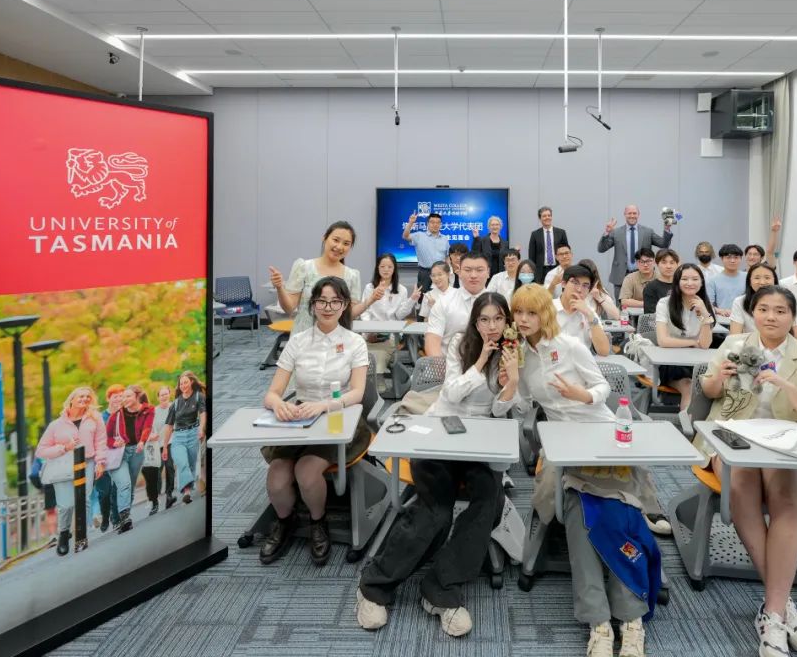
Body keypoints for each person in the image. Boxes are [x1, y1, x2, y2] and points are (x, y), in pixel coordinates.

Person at [357, 293, 520, 636]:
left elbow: (501, 411)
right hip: (441, 431)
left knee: (489, 501)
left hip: (478, 442)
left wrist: (512, 384)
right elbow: (452, 395)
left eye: (498, 319)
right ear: (475, 322)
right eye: (484, 319)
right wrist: (481, 362)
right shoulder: (461, 343)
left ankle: (440, 588)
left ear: (507, 321)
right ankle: (374, 586)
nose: (491, 326)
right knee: (436, 509)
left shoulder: (512, 351)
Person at [511, 284, 660, 657]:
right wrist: (509, 379)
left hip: (599, 435)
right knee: (580, 507)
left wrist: (582, 395)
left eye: (531, 312)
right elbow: (521, 405)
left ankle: (629, 621)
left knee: (603, 509)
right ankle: (601, 624)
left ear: (545, 314)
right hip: (562, 444)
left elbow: (601, 388)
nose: (523, 320)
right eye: (518, 312)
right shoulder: (519, 356)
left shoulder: (570, 346)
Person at [698, 285, 797, 657]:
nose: (771, 317)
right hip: (732, 436)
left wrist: (785, 385)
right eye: (763, 309)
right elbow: (708, 392)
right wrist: (719, 377)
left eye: (780, 310)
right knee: (741, 485)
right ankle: (781, 607)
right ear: (752, 313)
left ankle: (772, 613)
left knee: (787, 503)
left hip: (785, 444)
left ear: (793, 317)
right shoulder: (734, 345)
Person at [258, 276, 369, 565]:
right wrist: (279, 404)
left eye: (335, 301)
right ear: (313, 304)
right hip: (300, 417)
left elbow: (357, 393)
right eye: (322, 301)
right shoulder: (298, 341)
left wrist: (324, 405)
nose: (328, 307)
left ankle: (318, 522)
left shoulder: (355, 342)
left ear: (344, 305)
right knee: (277, 479)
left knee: (307, 472)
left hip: (338, 417)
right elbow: (271, 394)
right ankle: (285, 521)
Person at [35, 387, 108, 555]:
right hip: (63, 465)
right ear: (71, 400)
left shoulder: (95, 419)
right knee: (66, 505)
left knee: (84, 499)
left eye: (88, 397)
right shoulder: (56, 425)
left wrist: (100, 462)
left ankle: (81, 536)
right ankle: (63, 533)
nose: (85, 399)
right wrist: (64, 448)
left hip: (87, 462)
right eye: (81, 396)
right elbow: (41, 450)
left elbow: (100, 442)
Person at [269, 221, 366, 333]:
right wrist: (280, 288)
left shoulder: (352, 276)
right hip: (304, 336)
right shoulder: (304, 267)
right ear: (324, 238)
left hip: (337, 338)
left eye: (346, 243)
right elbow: (289, 308)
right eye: (336, 240)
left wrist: (370, 300)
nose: (339, 246)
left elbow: (350, 314)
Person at [655, 264, 717, 410]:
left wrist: (704, 313)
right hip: (670, 362)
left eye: (695, 279)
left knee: (714, 387)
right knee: (689, 387)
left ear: (701, 282)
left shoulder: (705, 306)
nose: (690, 283)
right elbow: (663, 341)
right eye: (685, 279)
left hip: (696, 361)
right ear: (677, 282)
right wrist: (692, 342)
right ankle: (687, 425)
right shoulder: (664, 303)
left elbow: (705, 344)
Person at [359, 253, 421, 378]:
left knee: (378, 357)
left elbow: (399, 315)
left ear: (394, 269)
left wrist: (412, 299)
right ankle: (369, 383)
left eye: (389, 267)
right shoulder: (370, 288)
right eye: (382, 266)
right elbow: (365, 311)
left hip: (390, 336)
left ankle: (378, 381)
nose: (386, 270)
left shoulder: (401, 290)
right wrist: (368, 331)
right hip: (369, 334)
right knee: (362, 357)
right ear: (377, 268)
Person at [105, 385, 155, 534]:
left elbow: (147, 427)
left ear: (137, 397)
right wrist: (114, 443)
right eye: (123, 396)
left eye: (128, 396)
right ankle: (124, 517)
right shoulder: (116, 415)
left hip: (137, 452)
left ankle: (123, 517)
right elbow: (106, 438)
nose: (124, 399)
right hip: (118, 454)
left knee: (130, 486)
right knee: (124, 484)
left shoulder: (148, 410)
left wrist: (142, 441)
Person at [596, 204, 673, 296]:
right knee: (621, 303)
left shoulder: (648, 232)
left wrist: (667, 229)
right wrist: (607, 232)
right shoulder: (616, 232)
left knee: (645, 302)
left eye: (634, 213)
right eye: (629, 213)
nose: (632, 216)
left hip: (643, 274)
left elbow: (664, 244)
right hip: (621, 276)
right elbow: (601, 249)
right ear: (625, 214)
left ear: (638, 215)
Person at [425, 251, 490, 358]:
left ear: (488, 272)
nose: (473, 275)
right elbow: (432, 339)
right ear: (459, 272)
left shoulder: (498, 302)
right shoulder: (444, 302)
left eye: (479, 270)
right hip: (447, 364)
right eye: (467, 270)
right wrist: (441, 366)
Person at [160, 371, 208, 507]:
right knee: (182, 462)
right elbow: (169, 426)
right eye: (181, 384)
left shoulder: (198, 397)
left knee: (191, 465)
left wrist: (201, 428)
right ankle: (190, 487)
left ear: (191, 382)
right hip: (178, 436)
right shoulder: (175, 404)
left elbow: (203, 413)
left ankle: (187, 493)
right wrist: (165, 446)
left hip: (193, 433)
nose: (183, 385)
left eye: (185, 382)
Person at [730, 264, 797, 343]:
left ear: (774, 281)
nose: (762, 282)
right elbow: (734, 337)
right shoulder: (740, 302)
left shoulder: (787, 300)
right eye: (757, 278)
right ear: (749, 281)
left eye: (767, 278)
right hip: (751, 347)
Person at [555, 264, 612, 356]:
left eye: (585, 286)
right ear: (563, 283)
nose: (579, 289)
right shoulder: (547, 308)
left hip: (580, 363)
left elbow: (604, 351)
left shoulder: (589, 312)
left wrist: (589, 315)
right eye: (575, 282)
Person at [93, 384, 125, 532]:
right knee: (104, 492)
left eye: (121, 396)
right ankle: (105, 516)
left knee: (116, 488)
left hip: (119, 457)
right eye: (115, 396)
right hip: (102, 459)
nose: (118, 399)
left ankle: (116, 518)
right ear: (108, 399)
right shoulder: (100, 418)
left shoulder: (125, 416)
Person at [141, 385, 174, 515]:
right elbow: (150, 428)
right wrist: (152, 436)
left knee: (169, 467)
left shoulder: (174, 407)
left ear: (169, 395)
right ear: (158, 397)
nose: (164, 396)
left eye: (166, 394)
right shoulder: (154, 411)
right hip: (157, 445)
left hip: (171, 442)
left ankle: (169, 494)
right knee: (157, 470)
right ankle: (156, 498)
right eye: (162, 395)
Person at [403, 211, 450, 292]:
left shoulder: (444, 239)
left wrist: (447, 271)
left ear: (440, 224)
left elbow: (447, 256)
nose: (435, 225)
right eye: (432, 222)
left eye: (438, 222)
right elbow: (405, 236)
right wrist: (411, 223)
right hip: (425, 273)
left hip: (441, 272)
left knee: (442, 295)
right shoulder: (419, 236)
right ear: (427, 224)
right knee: (423, 295)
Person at [528, 206, 568, 285]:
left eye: (549, 215)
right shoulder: (535, 234)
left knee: (558, 289)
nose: (547, 218)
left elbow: (566, 251)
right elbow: (531, 256)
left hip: (558, 268)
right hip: (541, 271)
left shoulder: (561, 233)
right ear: (540, 218)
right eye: (544, 216)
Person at [706, 243, 747, 314]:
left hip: (745, 317)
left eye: (736, 257)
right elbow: (709, 305)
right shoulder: (712, 280)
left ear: (741, 259)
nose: (732, 261)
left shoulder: (748, 277)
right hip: (722, 318)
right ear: (722, 259)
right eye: (728, 257)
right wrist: (721, 311)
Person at [642, 248, 680, 314]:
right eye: (664, 262)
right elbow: (651, 314)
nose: (668, 266)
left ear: (677, 265)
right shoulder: (650, 288)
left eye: (672, 263)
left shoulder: (682, 285)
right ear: (657, 264)